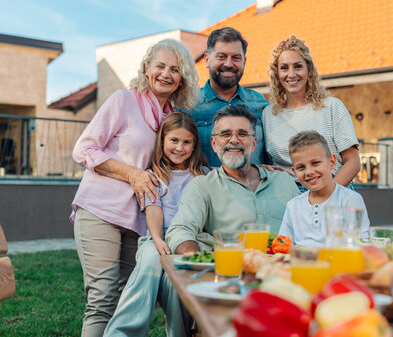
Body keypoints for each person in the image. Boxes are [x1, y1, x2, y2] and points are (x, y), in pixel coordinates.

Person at [70, 39, 199, 336]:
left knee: (125, 304)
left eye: (175, 69)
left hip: (137, 220)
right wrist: (133, 175)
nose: (166, 74)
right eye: (160, 66)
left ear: (182, 78)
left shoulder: (170, 119)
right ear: (146, 68)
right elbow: (84, 149)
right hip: (100, 211)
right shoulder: (123, 100)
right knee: (101, 300)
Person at [104, 112, 209, 337]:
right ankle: (122, 332)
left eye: (186, 142)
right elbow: (154, 210)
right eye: (174, 140)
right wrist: (158, 239)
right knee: (151, 259)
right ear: (162, 141)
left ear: (194, 145)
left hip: (190, 240)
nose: (180, 147)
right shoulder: (154, 176)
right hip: (157, 237)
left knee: (175, 284)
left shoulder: (204, 175)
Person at [165, 104, 299, 254]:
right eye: (225, 134)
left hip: (286, 271)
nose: (234, 140)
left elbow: (306, 229)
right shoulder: (203, 186)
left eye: (242, 134)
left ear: (254, 144)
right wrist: (197, 260)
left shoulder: (283, 180)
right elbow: (180, 230)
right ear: (214, 144)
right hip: (231, 272)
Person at [262, 35, 360, 188]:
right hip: (288, 195)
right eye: (284, 68)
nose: (291, 74)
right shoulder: (268, 114)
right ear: (277, 74)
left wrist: (324, 196)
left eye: (298, 66)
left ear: (309, 70)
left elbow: (353, 162)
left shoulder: (331, 107)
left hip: (334, 188)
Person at [188, 27, 268, 167]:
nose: (229, 64)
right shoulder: (188, 105)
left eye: (236, 58)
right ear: (207, 60)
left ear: (244, 61)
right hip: (207, 188)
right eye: (221, 57)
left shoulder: (260, 104)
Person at [278, 131, 369, 247]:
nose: (309, 172)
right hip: (301, 263)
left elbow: (362, 243)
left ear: (332, 162)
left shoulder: (350, 200)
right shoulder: (293, 206)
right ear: (294, 172)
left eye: (315, 163)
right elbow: (283, 245)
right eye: (301, 167)